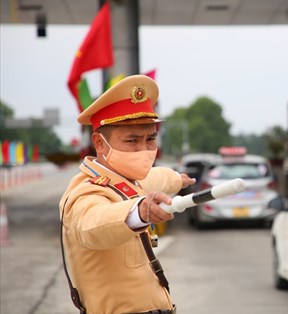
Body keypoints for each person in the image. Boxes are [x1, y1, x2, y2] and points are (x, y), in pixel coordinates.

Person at [59, 74, 195, 314]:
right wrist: (140, 212)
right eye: (132, 140)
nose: (144, 150)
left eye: (150, 139)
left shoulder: (126, 180)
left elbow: (155, 177)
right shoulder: (86, 192)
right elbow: (92, 224)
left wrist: (178, 180)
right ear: (100, 144)